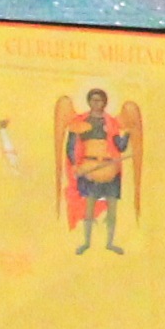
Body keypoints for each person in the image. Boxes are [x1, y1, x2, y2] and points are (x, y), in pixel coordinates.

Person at [59, 88, 135, 252]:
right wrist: (76, 166)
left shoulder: (111, 123)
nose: (96, 103)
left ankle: (110, 242)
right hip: (89, 167)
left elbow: (119, 146)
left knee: (112, 207)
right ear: (89, 102)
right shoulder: (80, 122)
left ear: (104, 102)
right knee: (90, 206)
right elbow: (71, 147)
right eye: (93, 100)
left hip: (110, 168)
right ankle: (86, 242)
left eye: (99, 100)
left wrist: (127, 134)